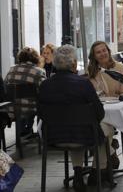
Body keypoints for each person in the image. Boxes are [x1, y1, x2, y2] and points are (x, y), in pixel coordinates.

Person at [38, 45, 105, 192]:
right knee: (92, 132)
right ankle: (95, 173)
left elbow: (41, 113)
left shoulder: (45, 85)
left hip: (53, 137)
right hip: (84, 136)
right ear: (74, 63)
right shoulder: (84, 84)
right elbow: (99, 113)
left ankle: (78, 174)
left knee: (76, 130)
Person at [87, 41, 123, 169]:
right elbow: (92, 92)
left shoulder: (119, 67)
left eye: (104, 50)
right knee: (97, 126)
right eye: (98, 52)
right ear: (94, 56)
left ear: (108, 51)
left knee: (102, 126)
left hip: (121, 109)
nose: (102, 54)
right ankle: (110, 152)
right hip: (101, 108)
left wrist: (111, 95)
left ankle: (98, 169)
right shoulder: (92, 71)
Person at [4, 47, 46, 136]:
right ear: (36, 58)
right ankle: (30, 131)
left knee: (20, 103)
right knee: (36, 102)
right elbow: (44, 91)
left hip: (11, 109)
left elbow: (5, 87)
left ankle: (23, 132)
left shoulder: (11, 70)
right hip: (30, 109)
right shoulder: (39, 72)